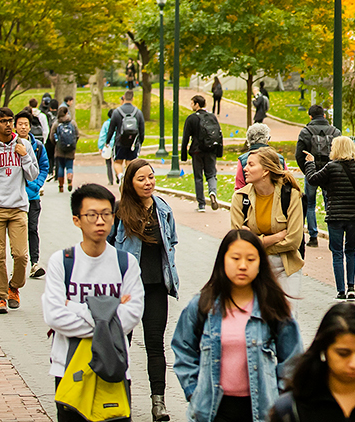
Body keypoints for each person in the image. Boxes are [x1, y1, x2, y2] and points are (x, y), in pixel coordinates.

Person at [171, 229, 303, 422]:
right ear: (223, 260)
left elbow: (293, 358)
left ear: (260, 264)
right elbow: (183, 348)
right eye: (235, 258)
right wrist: (193, 391)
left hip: (261, 411)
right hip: (212, 411)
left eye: (251, 259)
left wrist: (280, 396)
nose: (243, 266)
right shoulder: (203, 305)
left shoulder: (273, 308)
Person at [42, 183, 144, 422]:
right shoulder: (61, 261)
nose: (100, 221)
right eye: (92, 215)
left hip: (114, 369)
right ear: (77, 220)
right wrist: (109, 314)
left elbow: (133, 315)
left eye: (106, 214)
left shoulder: (126, 263)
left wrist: (75, 307)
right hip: (68, 368)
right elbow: (54, 316)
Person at [112, 159, 180, 422]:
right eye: (141, 179)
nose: (148, 182)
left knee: (155, 345)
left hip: (155, 289)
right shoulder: (119, 211)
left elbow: (171, 241)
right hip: (127, 290)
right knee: (121, 345)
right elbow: (109, 249)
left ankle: (158, 403)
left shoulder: (163, 208)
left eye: (151, 177)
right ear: (130, 182)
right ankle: (120, 398)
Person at [0, 106, 38, 314]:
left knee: (20, 255)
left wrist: (24, 157)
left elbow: (33, 175)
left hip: (18, 207)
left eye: (11, 120)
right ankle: (0, 298)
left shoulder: (24, 145)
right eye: (4, 121)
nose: (9, 124)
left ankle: (14, 287)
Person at [230, 147, 305, 299]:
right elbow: (238, 242)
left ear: (265, 171)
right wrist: (275, 237)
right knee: (257, 318)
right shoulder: (240, 198)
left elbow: (294, 241)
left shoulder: (291, 195)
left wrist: (255, 241)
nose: (245, 169)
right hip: (254, 268)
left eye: (251, 165)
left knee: (286, 319)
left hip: (287, 268)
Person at [303, 135, 355, 300]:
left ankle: (341, 290)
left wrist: (310, 163)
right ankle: (352, 288)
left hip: (335, 216)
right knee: (351, 251)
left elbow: (312, 179)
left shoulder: (331, 167)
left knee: (337, 252)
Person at [295, 105, 340, 247]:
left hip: (312, 171)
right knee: (330, 204)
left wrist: (308, 171)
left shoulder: (305, 132)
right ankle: (333, 237)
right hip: (330, 173)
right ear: (324, 115)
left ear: (310, 116)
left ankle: (313, 237)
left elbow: (299, 155)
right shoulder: (335, 132)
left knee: (310, 205)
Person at [15, 110, 49, 279]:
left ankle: (35, 263)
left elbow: (44, 166)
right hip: (14, 197)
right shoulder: (10, 146)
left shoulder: (37, 146)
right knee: (16, 232)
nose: (23, 127)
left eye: (26, 124)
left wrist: (36, 184)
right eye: (20, 124)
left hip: (32, 196)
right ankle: (18, 263)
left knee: (32, 229)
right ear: (15, 126)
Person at [181, 95, 221, 212]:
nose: (191, 105)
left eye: (192, 103)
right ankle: (212, 192)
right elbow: (218, 134)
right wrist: (218, 152)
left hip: (197, 151)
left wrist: (184, 154)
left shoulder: (191, 119)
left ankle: (201, 204)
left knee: (198, 177)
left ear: (196, 104)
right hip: (211, 150)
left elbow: (186, 137)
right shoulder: (212, 117)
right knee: (211, 174)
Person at [107, 89, 145, 181]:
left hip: (120, 142)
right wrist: (140, 141)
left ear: (123, 98)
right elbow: (142, 129)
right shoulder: (138, 112)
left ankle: (120, 177)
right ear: (132, 98)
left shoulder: (117, 112)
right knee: (130, 163)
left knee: (118, 162)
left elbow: (111, 128)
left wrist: (107, 141)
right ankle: (127, 179)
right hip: (133, 142)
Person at [234, 122, 285, 189]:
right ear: (266, 139)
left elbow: (239, 186)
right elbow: (285, 181)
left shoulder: (242, 159)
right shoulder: (279, 158)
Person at [53, 104, 79, 192]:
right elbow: (77, 135)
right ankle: (70, 181)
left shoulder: (56, 123)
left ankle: (60, 186)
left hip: (60, 149)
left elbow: (51, 136)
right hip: (70, 149)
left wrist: (57, 144)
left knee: (60, 166)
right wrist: (73, 143)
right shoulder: (72, 122)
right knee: (69, 166)